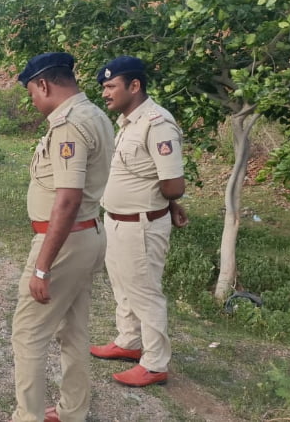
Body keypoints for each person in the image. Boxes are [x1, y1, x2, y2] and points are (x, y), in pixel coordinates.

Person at [11, 53, 114, 422]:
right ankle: (73, 411)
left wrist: (41, 267)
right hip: (87, 234)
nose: (33, 101)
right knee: (73, 332)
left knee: (28, 335)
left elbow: (67, 200)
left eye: (32, 93)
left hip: (64, 241)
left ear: (44, 84)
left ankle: (28, 417)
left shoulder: (70, 124)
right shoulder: (96, 115)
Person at [90, 56, 188, 387]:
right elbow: (144, 171)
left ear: (134, 86)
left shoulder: (157, 123)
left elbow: (173, 182)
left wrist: (169, 201)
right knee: (123, 286)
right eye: (103, 87)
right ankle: (129, 342)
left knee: (145, 293)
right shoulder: (129, 122)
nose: (105, 93)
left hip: (142, 225)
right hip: (118, 221)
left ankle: (155, 362)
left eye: (110, 86)